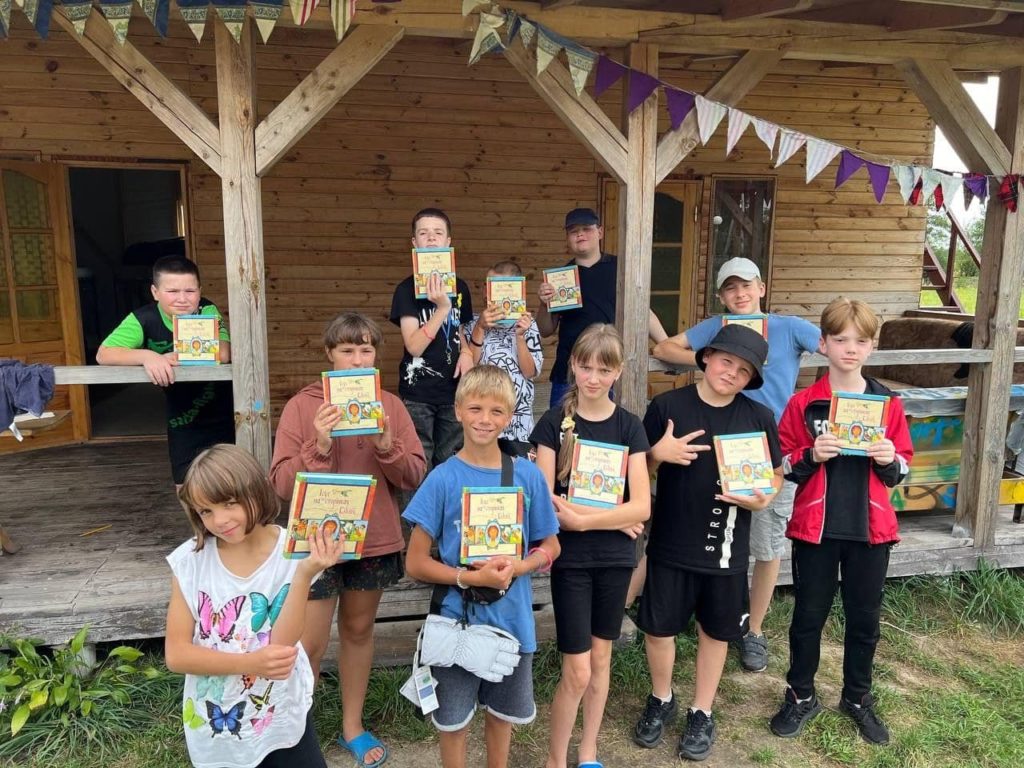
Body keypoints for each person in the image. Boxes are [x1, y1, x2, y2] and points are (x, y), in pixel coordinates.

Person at [269, 311, 426, 768]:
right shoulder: (303, 406)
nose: (356, 359)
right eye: (346, 350)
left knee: (358, 631)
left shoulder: (390, 406)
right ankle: (299, 729)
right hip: (315, 543)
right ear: (329, 355)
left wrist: (386, 445)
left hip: (373, 539)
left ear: (376, 355)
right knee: (309, 643)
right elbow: (280, 484)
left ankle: (352, 725)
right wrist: (316, 444)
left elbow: (415, 473)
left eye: (365, 350)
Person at [649, 256, 820, 672]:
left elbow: (836, 348)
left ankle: (753, 629)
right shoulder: (718, 327)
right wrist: (716, 359)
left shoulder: (790, 327)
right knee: (687, 532)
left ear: (762, 287)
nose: (739, 293)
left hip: (766, 448)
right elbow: (665, 347)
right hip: (712, 439)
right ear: (722, 296)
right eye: (730, 288)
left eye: (746, 286)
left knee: (764, 543)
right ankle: (678, 615)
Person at [634, 324, 782, 762]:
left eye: (742, 370)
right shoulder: (666, 406)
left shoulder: (758, 418)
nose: (730, 372)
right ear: (706, 357)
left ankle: (702, 709)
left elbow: (773, 474)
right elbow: (634, 470)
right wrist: (656, 455)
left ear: (750, 379)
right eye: (725, 361)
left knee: (715, 633)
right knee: (659, 629)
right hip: (670, 543)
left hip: (725, 547)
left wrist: (763, 498)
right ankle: (662, 697)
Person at [768, 297, 912, 746]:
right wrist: (811, 455)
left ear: (871, 347)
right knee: (808, 616)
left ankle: (856, 697)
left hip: (871, 530)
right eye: (841, 339)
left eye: (861, 341)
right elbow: (784, 462)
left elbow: (904, 466)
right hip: (816, 528)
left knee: (864, 619)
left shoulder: (888, 404)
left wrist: (890, 459)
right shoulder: (804, 403)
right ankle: (801, 693)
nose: (851, 348)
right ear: (823, 344)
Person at [403, 366, 561, 768]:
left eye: (496, 411)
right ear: (458, 411)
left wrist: (522, 567)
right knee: (453, 723)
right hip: (458, 621)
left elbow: (552, 545)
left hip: (512, 619)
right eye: (475, 408)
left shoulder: (526, 475)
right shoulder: (442, 478)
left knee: (501, 717)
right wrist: (468, 577)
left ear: (509, 416)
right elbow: (416, 561)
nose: (484, 420)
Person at [164, 444, 343, 768]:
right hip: (217, 726)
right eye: (205, 511)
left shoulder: (293, 552)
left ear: (255, 489)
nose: (219, 520)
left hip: (281, 716)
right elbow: (176, 654)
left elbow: (283, 647)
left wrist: (303, 574)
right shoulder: (190, 563)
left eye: (228, 504)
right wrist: (251, 663)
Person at [530, 324, 651, 768]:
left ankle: (589, 751)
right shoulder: (552, 424)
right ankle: (555, 758)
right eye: (585, 367)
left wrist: (588, 519)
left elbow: (641, 505)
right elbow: (545, 500)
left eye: (604, 369)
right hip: (573, 563)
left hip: (616, 561)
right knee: (577, 669)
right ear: (573, 366)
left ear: (618, 370)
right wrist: (608, 521)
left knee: (601, 661)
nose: (593, 377)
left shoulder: (629, 426)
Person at [96, 255, 234, 487]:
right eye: (172, 291)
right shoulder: (143, 319)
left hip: (223, 410)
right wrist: (148, 356)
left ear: (199, 291)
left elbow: (223, 353)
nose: (182, 299)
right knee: (184, 484)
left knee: (231, 480)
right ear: (155, 292)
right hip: (181, 416)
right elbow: (104, 354)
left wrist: (180, 356)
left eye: (190, 291)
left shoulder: (206, 309)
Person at [536, 207, 667, 408]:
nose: (580, 234)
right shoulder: (561, 277)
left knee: (610, 435)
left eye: (586, 228)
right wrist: (544, 303)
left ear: (600, 232)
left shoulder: (622, 269)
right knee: (561, 434)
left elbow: (643, 312)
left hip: (611, 369)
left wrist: (666, 344)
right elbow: (545, 330)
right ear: (567, 238)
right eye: (573, 231)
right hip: (569, 372)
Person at [389, 208, 475, 469]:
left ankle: (446, 511)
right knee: (418, 462)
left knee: (450, 461)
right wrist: (441, 308)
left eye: (438, 233)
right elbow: (414, 346)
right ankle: (415, 512)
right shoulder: (406, 290)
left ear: (448, 241)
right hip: (418, 394)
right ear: (414, 243)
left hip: (455, 391)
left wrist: (467, 352)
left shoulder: (459, 287)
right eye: (423, 234)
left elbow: (458, 329)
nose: (431, 239)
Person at [465, 260, 543, 457]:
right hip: (481, 424)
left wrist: (520, 336)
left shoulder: (528, 324)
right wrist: (480, 328)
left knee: (514, 482)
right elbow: (468, 369)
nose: (491, 293)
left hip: (519, 427)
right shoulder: (472, 323)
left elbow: (530, 371)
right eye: (489, 286)